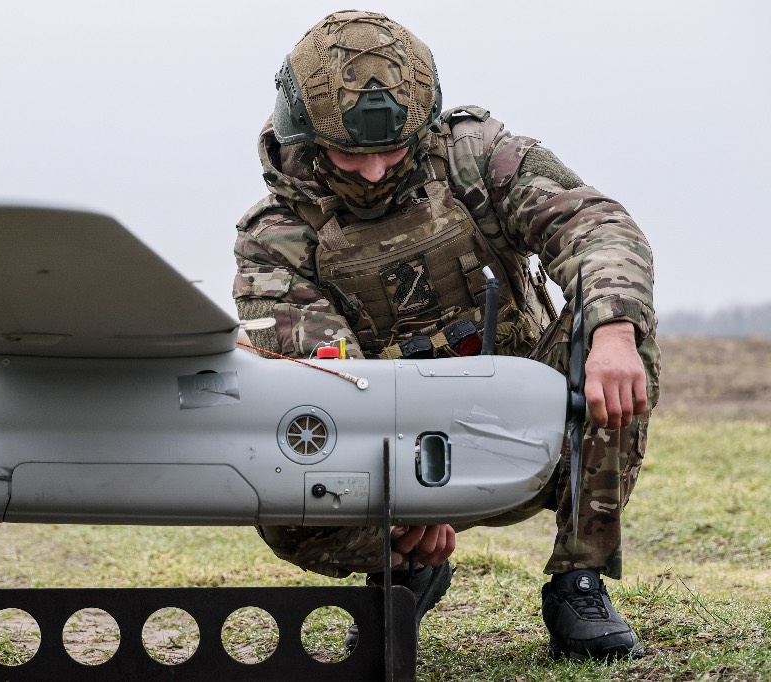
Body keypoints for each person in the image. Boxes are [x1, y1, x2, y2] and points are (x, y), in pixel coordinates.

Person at [233, 10, 660, 660]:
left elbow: (596, 227)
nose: (375, 172)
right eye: (352, 154)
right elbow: (327, 388)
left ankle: (580, 578)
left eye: (392, 150)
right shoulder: (275, 241)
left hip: (531, 427)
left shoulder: (475, 159)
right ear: (309, 137)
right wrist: (409, 496)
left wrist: (613, 332)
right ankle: (404, 572)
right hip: (386, 461)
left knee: (618, 323)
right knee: (285, 499)